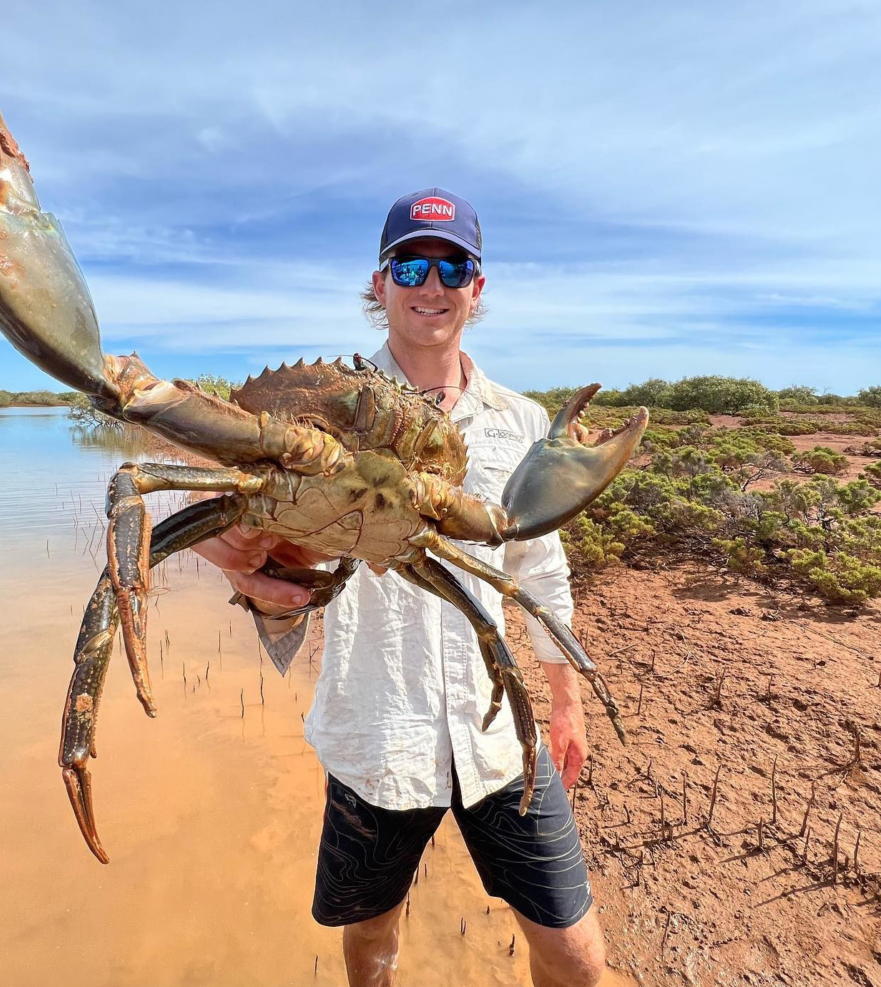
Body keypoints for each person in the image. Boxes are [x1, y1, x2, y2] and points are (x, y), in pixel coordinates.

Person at [193, 188, 606, 987]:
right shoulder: (315, 404)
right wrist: (232, 555)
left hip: (498, 740)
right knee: (371, 941)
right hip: (374, 734)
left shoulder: (519, 422)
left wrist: (567, 699)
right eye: (410, 263)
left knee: (577, 952)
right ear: (379, 284)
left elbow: (539, 568)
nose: (432, 283)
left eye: (454, 266)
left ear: (477, 289)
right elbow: (222, 511)